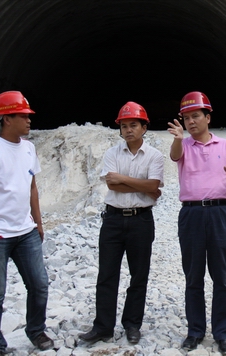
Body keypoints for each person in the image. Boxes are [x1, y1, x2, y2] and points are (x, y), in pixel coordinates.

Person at [0, 91, 53, 356]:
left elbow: (32, 188)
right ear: (6, 119)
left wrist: (38, 223)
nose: (29, 121)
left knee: (39, 284)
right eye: (23, 116)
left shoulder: (29, 148)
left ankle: (36, 330)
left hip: (26, 232)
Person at [167, 91, 226, 356]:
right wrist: (178, 139)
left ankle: (222, 333)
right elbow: (175, 156)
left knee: (221, 276)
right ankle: (195, 331)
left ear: (208, 117)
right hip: (191, 214)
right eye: (186, 118)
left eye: (196, 116)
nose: (191, 122)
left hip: (219, 212)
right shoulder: (183, 145)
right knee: (193, 276)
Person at [79, 102, 164, 345]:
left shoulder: (155, 156)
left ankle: (132, 324)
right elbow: (112, 185)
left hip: (141, 220)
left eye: (133, 125)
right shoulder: (112, 154)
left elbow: (153, 185)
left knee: (139, 275)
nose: (128, 130)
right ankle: (103, 327)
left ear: (144, 128)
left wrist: (125, 180)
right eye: (124, 126)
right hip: (113, 220)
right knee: (107, 275)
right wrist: (144, 186)